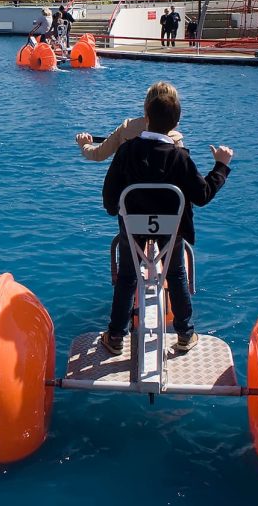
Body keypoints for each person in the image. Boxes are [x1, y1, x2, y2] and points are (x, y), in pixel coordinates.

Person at [99, 82, 233, 355]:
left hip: (132, 228)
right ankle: (185, 334)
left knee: (127, 277)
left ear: (145, 117)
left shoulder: (126, 152)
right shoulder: (179, 157)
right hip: (170, 230)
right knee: (176, 273)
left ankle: (115, 336)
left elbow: (110, 196)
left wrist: (117, 211)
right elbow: (202, 194)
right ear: (177, 122)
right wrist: (221, 165)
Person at [75, 81, 185, 160]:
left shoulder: (127, 127)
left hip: (129, 192)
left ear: (146, 105)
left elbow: (98, 154)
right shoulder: (175, 140)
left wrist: (85, 145)